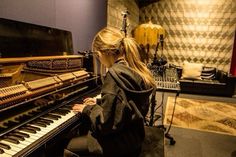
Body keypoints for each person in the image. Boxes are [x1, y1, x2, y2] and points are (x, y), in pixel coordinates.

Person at [64, 27, 156, 157]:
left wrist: (88, 109)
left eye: (97, 55)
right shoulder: (133, 68)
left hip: (119, 143)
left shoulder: (114, 75)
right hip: (134, 137)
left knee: (69, 146)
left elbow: (104, 125)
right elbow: (125, 103)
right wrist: (99, 102)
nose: (98, 59)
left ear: (103, 52)